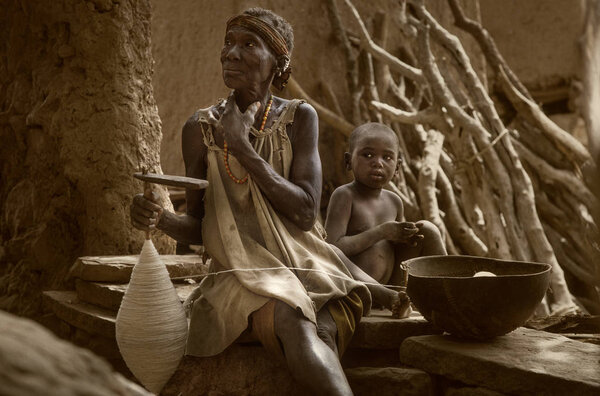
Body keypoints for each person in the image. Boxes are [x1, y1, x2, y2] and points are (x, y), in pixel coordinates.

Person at [130, 8, 406, 395]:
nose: (231, 53)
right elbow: (198, 223)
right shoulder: (199, 129)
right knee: (294, 316)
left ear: (278, 62)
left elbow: (306, 212)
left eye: (248, 44)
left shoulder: (298, 118)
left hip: (305, 260)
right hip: (239, 272)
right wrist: (161, 219)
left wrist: (242, 147)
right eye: (228, 43)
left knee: (317, 325)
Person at [325, 122, 447, 288]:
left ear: (397, 167)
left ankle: (447, 290)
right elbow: (332, 249)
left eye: (387, 157)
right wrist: (382, 232)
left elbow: (396, 248)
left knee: (428, 230)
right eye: (368, 155)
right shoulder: (345, 196)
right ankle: (386, 296)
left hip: (393, 284)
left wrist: (405, 238)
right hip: (357, 288)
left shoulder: (394, 201)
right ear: (348, 161)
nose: (378, 163)